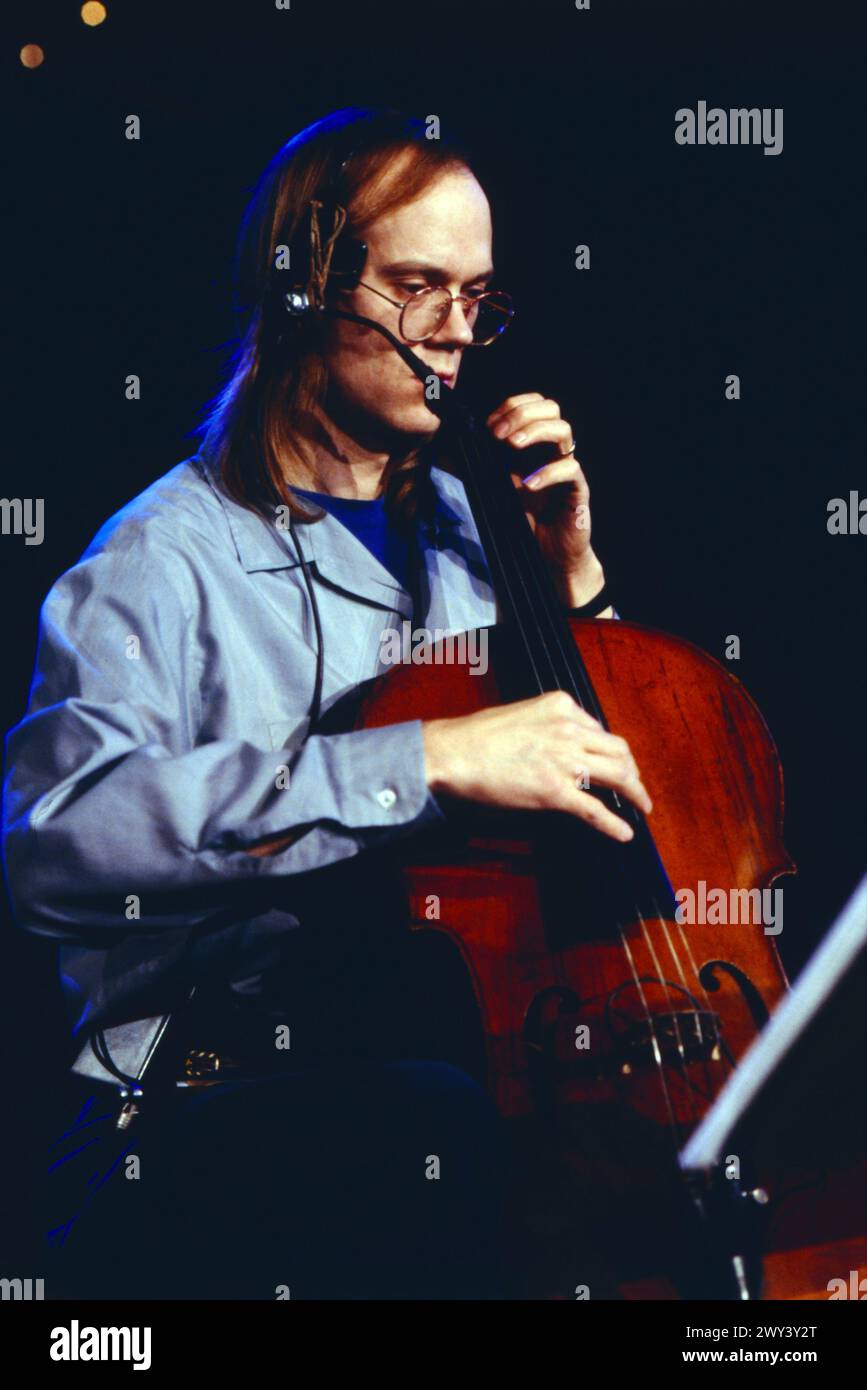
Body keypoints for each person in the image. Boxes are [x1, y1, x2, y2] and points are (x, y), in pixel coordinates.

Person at [2, 107, 652, 1300]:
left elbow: (618, 789)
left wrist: (575, 595)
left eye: (479, 296)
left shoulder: (477, 529)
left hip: (455, 1062)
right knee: (439, 1136)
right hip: (213, 1100)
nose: (458, 337)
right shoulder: (161, 559)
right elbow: (54, 845)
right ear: (303, 287)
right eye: (418, 289)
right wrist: (427, 757)